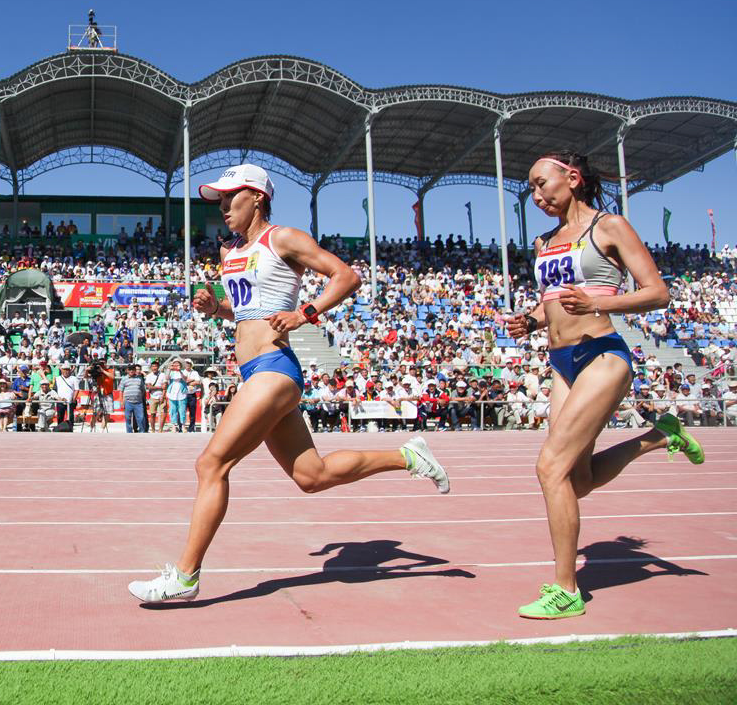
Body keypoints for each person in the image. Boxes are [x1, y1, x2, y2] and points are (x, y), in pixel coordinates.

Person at [128, 164, 450, 603]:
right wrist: (215, 308)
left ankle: (185, 576)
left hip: (275, 367)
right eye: (219, 200)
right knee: (311, 476)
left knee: (211, 464)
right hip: (253, 369)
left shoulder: (283, 237)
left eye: (230, 198)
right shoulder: (230, 251)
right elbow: (247, 312)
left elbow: (347, 276)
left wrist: (306, 314)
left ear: (257, 197)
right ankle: (407, 456)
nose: (222, 207)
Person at [504, 151, 705, 620]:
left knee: (550, 468)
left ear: (571, 178)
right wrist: (530, 322)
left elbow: (657, 291)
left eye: (541, 184)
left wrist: (599, 302)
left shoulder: (609, 228)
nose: (536, 196)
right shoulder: (545, 241)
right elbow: (553, 302)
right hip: (560, 363)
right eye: (530, 189)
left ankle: (565, 588)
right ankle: (659, 436)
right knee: (579, 479)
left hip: (602, 357)